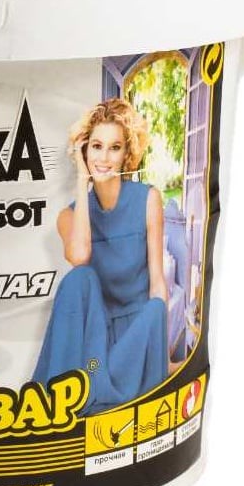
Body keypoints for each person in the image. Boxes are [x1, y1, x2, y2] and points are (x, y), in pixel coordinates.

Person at [32, 97, 169, 414]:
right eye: (96, 146)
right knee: (79, 278)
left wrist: (158, 348)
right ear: (84, 151)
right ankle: (65, 393)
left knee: (156, 308)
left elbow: (158, 284)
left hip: (135, 337)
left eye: (114, 147)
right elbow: (80, 256)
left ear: (127, 153)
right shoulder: (69, 217)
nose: (104, 158)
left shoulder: (148, 199)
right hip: (94, 346)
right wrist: (82, 182)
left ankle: (105, 390)